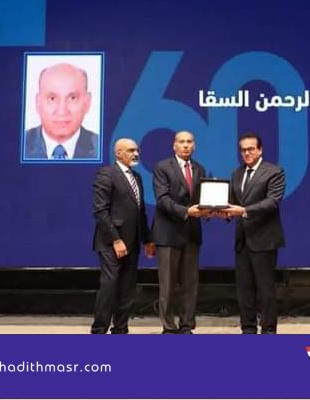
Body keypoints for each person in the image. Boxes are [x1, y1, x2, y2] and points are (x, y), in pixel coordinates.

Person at [91, 138, 155, 334]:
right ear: (118, 153)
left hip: (133, 241)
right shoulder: (106, 174)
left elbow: (140, 211)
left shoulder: (137, 177)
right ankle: (99, 329)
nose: (136, 154)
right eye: (130, 150)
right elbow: (100, 211)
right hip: (111, 242)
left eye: (137, 150)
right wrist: (116, 240)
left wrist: (147, 239)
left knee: (128, 287)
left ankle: (120, 328)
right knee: (110, 285)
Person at [225, 133, 286, 334]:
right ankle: (248, 330)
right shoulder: (236, 173)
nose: (247, 153)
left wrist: (243, 211)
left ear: (260, 150)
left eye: (251, 149)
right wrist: (222, 212)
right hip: (242, 240)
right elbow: (233, 203)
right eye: (243, 150)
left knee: (265, 290)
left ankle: (268, 331)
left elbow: (272, 202)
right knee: (244, 290)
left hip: (264, 239)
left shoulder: (274, 171)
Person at [152, 131, 208, 334]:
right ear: (174, 146)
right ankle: (168, 327)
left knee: (190, 285)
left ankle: (186, 326)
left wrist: (210, 209)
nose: (186, 145)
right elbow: (162, 199)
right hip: (168, 234)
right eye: (181, 142)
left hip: (192, 234)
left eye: (189, 142)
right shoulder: (162, 167)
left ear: (194, 145)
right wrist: (186, 212)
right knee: (167, 285)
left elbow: (202, 199)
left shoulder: (199, 169)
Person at [24, 63, 99, 160]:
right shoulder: (19, 143)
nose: (62, 112)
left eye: (72, 98)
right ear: (38, 103)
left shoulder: (102, 147)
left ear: (87, 102)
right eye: (52, 98)